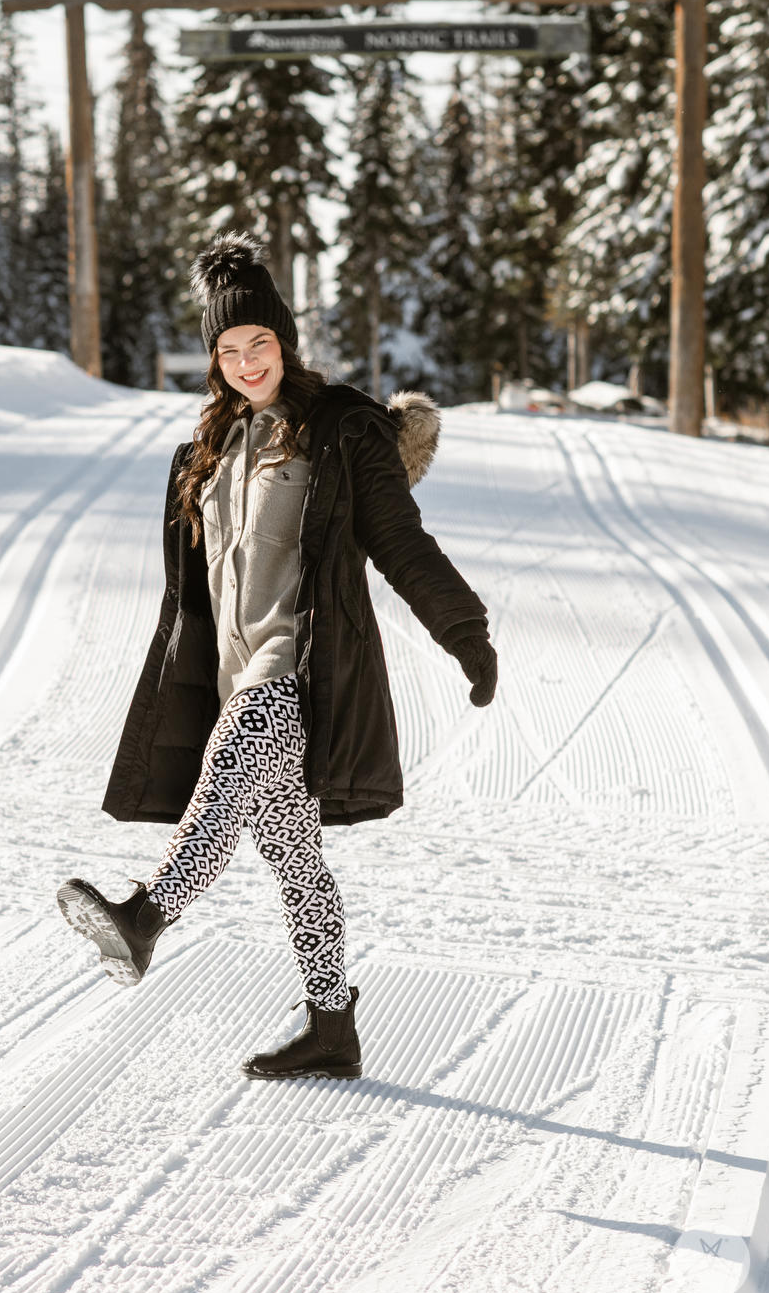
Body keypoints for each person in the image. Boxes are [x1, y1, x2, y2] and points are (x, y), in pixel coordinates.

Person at [57, 230, 497, 1080]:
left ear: (285, 343)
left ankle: (145, 917)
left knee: (237, 775)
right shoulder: (206, 453)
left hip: (298, 669)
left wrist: (462, 630)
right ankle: (332, 1027)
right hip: (233, 672)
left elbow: (400, 542)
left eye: (259, 342)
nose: (246, 360)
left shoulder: (337, 428)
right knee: (294, 858)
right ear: (213, 359)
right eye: (228, 348)